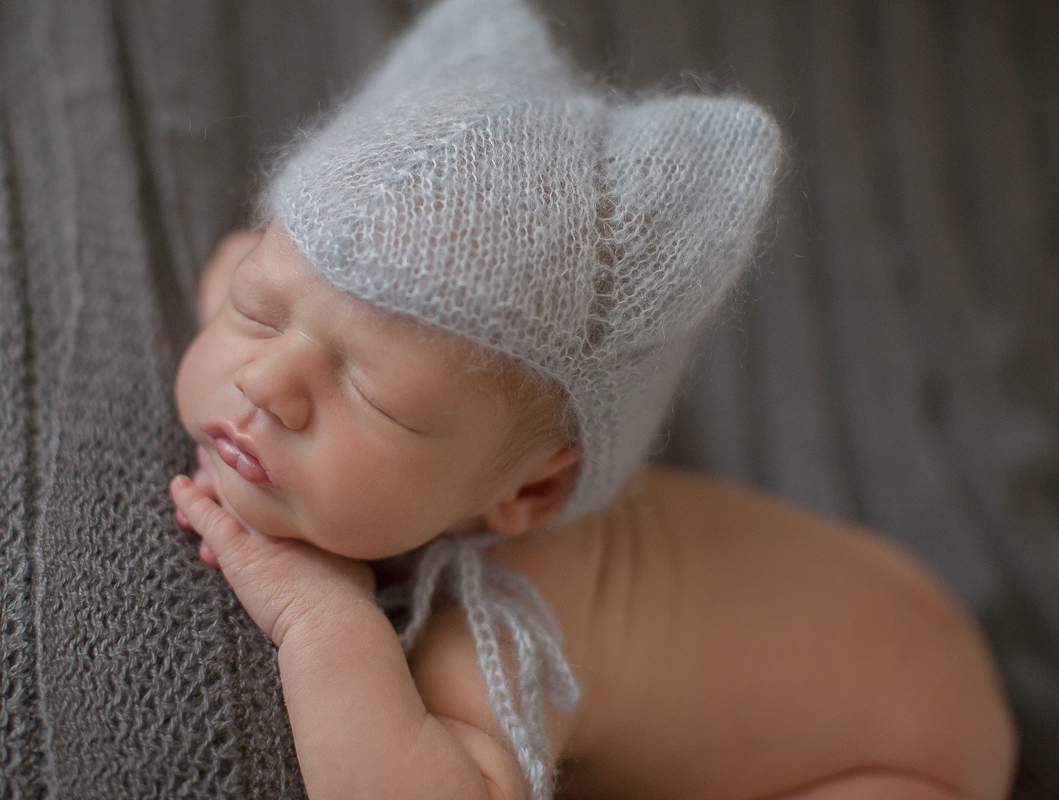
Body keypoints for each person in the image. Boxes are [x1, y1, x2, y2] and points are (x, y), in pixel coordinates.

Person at [169, 1, 1017, 797]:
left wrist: (320, 617)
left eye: (374, 397)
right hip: (880, 596)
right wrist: (247, 298)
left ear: (527, 494)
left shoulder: (506, 626)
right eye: (258, 310)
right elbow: (272, 276)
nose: (265, 386)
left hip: (905, 754)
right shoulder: (317, 350)